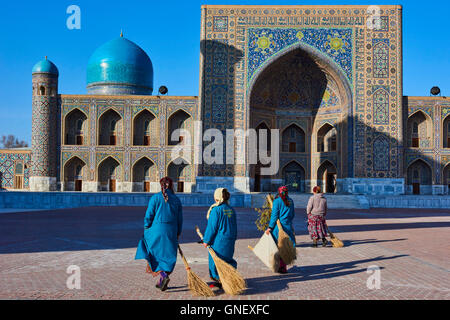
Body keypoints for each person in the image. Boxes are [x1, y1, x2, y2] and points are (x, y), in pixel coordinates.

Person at [135, 177, 183, 291]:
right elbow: (180, 219)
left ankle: (163, 276)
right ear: (171, 185)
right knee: (168, 256)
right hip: (171, 230)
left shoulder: (155, 198)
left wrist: (146, 227)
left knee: (154, 253)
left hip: (156, 230)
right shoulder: (176, 199)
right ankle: (162, 280)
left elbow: (149, 215)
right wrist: (178, 232)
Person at [202, 188, 237, 289]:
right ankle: (228, 279)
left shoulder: (216, 210)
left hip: (219, 241)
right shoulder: (231, 209)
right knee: (227, 260)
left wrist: (206, 240)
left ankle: (220, 280)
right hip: (230, 239)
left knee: (216, 261)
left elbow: (212, 228)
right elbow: (234, 226)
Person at [265, 185, 296, 274]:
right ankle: (283, 267)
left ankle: (280, 266)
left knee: (279, 247)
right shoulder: (291, 201)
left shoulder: (277, 201)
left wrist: (270, 227)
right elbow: (292, 214)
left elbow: (274, 216)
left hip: (279, 228)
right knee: (286, 247)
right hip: (288, 226)